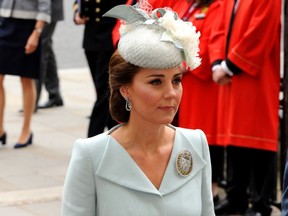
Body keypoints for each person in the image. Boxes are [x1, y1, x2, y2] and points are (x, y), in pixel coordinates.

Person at [62, 2, 215, 215]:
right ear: (125, 89)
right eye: (156, 82)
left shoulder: (195, 144)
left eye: (177, 80)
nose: (171, 93)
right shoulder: (91, 155)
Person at [210, 0, 281, 215]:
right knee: (232, 137)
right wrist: (217, 63)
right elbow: (218, 28)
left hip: (254, 74)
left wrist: (228, 66)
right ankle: (237, 196)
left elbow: (260, 30)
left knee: (257, 137)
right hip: (230, 76)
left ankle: (260, 202)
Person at [173, 0, 224, 205]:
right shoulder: (189, 6)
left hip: (203, 86)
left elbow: (210, 44)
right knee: (188, 138)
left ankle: (212, 190)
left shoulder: (215, 7)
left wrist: (183, 64)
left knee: (207, 139)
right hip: (188, 84)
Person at [0, 0, 50, 148]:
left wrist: (37, 32)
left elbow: (45, 5)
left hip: (28, 27)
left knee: (26, 79)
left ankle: (26, 130)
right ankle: (0, 129)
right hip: (4, 23)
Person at [73, 0, 126, 137]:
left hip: (109, 39)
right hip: (91, 38)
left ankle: (92, 137)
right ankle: (115, 132)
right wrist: (77, 13)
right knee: (102, 91)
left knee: (105, 93)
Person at [37, 0, 64, 109]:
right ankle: (54, 94)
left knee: (40, 50)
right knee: (45, 48)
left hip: (46, 9)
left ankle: (32, 100)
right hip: (43, 9)